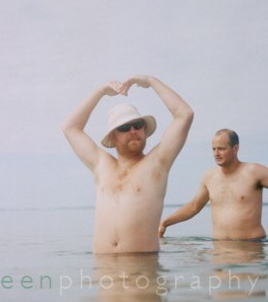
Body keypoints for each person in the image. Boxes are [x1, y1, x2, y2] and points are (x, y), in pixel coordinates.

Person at [62, 75, 193, 253]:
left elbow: (184, 115)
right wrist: (100, 92)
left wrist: (151, 81)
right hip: (103, 266)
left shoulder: (157, 163)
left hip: (142, 265)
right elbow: (70, 127)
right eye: (124, 128)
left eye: (137, 125)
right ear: (113, 136)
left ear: (144, 130)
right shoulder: (101, 165)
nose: (132, 131)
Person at [159, 129, 268, 240]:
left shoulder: (255, 172)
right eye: (213, 149)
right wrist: (165, 223)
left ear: (235, 148)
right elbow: (194, 206)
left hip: (251, 248)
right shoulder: (209, 177)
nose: (216, 153)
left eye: (221, 148)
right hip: (219, 250)